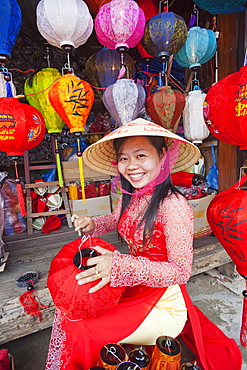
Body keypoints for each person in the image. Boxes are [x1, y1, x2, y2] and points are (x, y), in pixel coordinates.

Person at [46, 118, 242, 370]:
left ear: (162, 156)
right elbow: (118, 221)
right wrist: (93, 223)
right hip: (133, 284)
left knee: (82, 327)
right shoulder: (131, 195)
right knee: (74, 309)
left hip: (164, 298)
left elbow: (181, 271)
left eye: (140, 155)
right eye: (124, 158)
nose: (131, 166)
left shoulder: (173, 205)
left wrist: (120, 267)